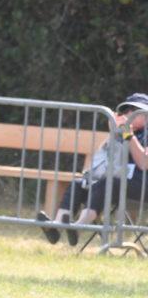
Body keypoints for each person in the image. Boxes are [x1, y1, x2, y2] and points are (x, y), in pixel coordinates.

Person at [36, 93, 148, 246]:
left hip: (141, 187)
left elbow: (143, 163)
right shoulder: (122, 131)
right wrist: (115, 132)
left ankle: (79, 227)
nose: (129, 114)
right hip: (116, 182)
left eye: (135, 110)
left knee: (108, 183)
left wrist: (129, 135)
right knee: (78, 183)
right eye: (127, 109)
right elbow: (104, 156)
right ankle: (56, 227)